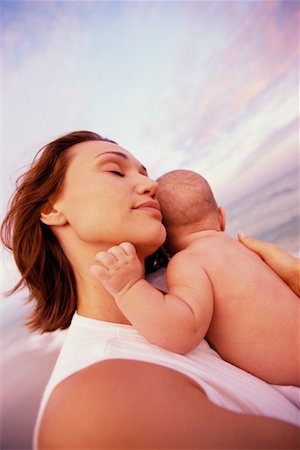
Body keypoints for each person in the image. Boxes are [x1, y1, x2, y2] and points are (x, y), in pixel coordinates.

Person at [1, 132, 299, 449]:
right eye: (115, 171)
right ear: (51, 208)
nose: (151, 185)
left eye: (145, 173)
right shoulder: (97, 407)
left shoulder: (188, 284)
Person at [91, 169, 299, 387]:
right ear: (221, 217)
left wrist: (129, 287)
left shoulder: (188, 262)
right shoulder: (246, 250)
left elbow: (181, 330)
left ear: (163, 239)